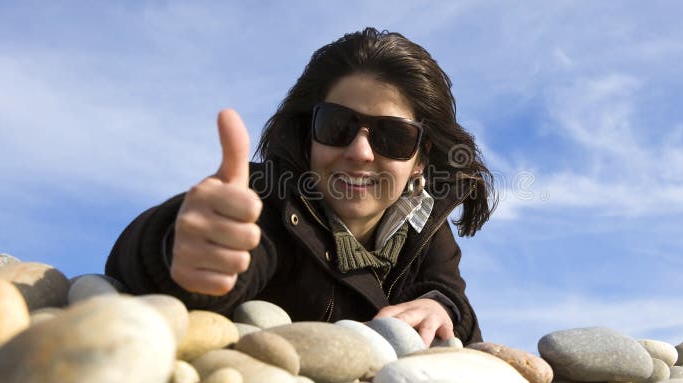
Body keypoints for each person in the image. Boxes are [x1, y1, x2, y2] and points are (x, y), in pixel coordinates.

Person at [106, 28, 496, 345]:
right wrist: (178, 251)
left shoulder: (425, 228)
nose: (360, 152)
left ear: (421, 160)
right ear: (307, 135)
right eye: (336, 126)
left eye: (393, 137)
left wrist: (442, 308)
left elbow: (449, 298)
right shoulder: (265, 198)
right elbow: (230, 247)